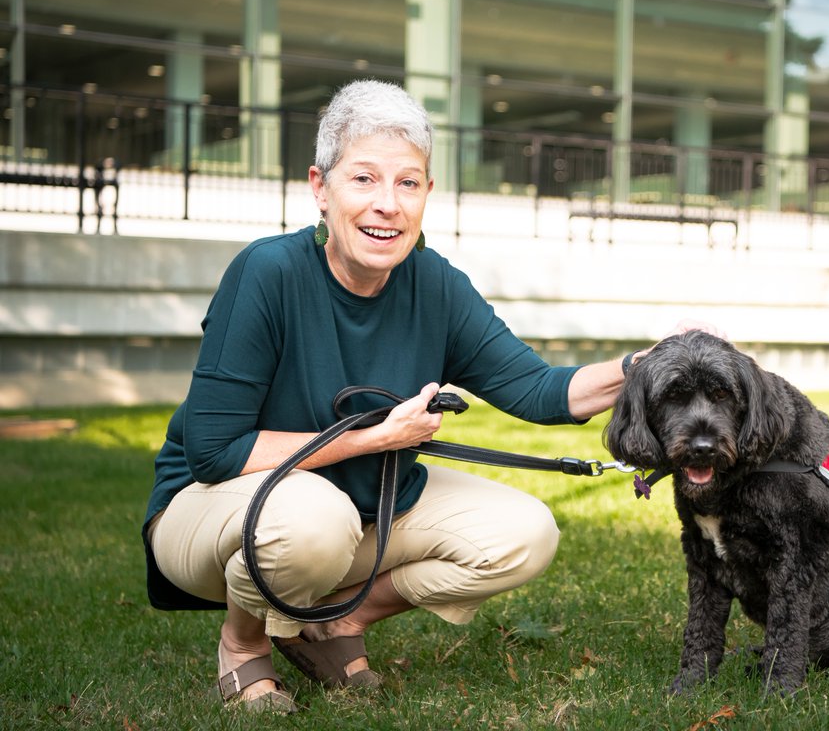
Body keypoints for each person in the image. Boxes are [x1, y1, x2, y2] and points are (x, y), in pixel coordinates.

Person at [142, 79, 716, 713]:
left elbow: (537, 389)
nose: (387, 204)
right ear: (319, 188)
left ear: (427, 195)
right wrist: (374, 440)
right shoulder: (267, 273)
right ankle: (244, 644)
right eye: (363, 179)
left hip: (354, 509)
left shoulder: (435, 283)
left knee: (524, 533)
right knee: (312, 522)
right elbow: (214, 451)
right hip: (209, 513)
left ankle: (335, 625)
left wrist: (646, 365)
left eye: (407, 183)